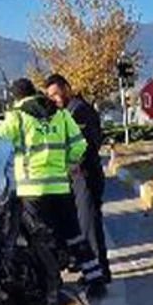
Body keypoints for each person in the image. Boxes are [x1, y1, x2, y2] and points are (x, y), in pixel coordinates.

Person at [0, 78, 106, 291]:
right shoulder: (61, 114)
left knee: (43, 239)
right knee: (74, 234)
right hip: (60, 187)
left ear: (17, 97)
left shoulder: (17, 117)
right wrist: (68, 163)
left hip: (33, 190)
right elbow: (79, 144)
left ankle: (53, 285)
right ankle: (95, 278)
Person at [44, 74, 112, 284]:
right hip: (76, 176)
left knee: (88, 224)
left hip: (84, 175)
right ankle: (92, 269)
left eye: (56, 93)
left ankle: (99, 272)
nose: (54, 98)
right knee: (82, 225)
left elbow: (86, 146)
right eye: (50, 96)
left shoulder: (79, 110)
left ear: (67, 88)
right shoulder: (67, 112)